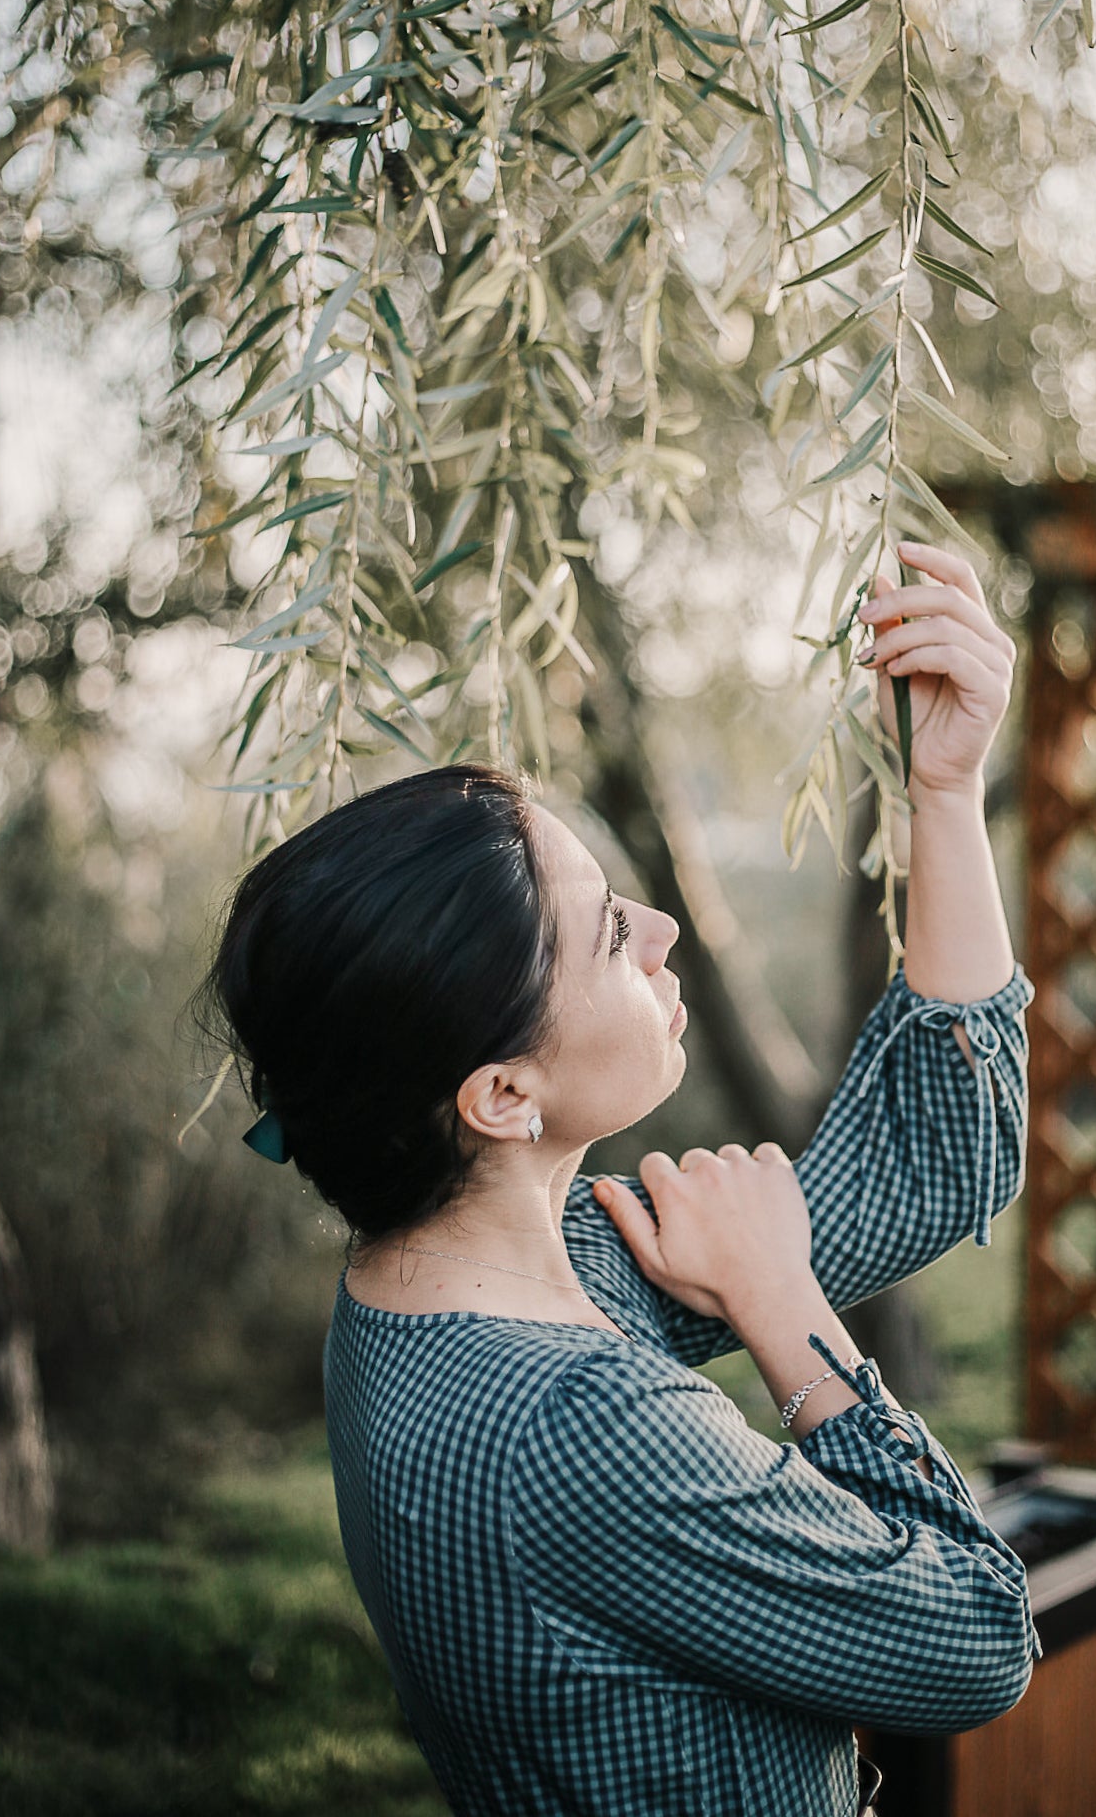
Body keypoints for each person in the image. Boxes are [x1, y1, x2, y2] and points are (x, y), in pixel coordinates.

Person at [204, 539, 1040, 1817]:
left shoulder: (458, 1275)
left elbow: (928, 1162)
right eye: (605, 929)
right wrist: (784, 1307)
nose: (658, 930)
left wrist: (945, 788)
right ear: (500, 1094)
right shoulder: (573, 1418)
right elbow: (976, 1638)